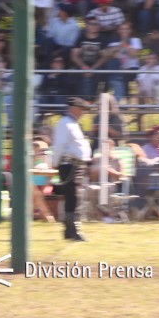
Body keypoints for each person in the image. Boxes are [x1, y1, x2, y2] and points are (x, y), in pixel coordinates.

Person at [51, 97, 93, 241]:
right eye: (81, 109)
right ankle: (73, 229)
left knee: (73, 196)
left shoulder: (71, 123)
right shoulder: (65, 124)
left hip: (74, 164)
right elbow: (59, 145)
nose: (83, 112)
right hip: (69, 164)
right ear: (74, 108)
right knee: (73, 197)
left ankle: (69, 230)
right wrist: (55, 162)